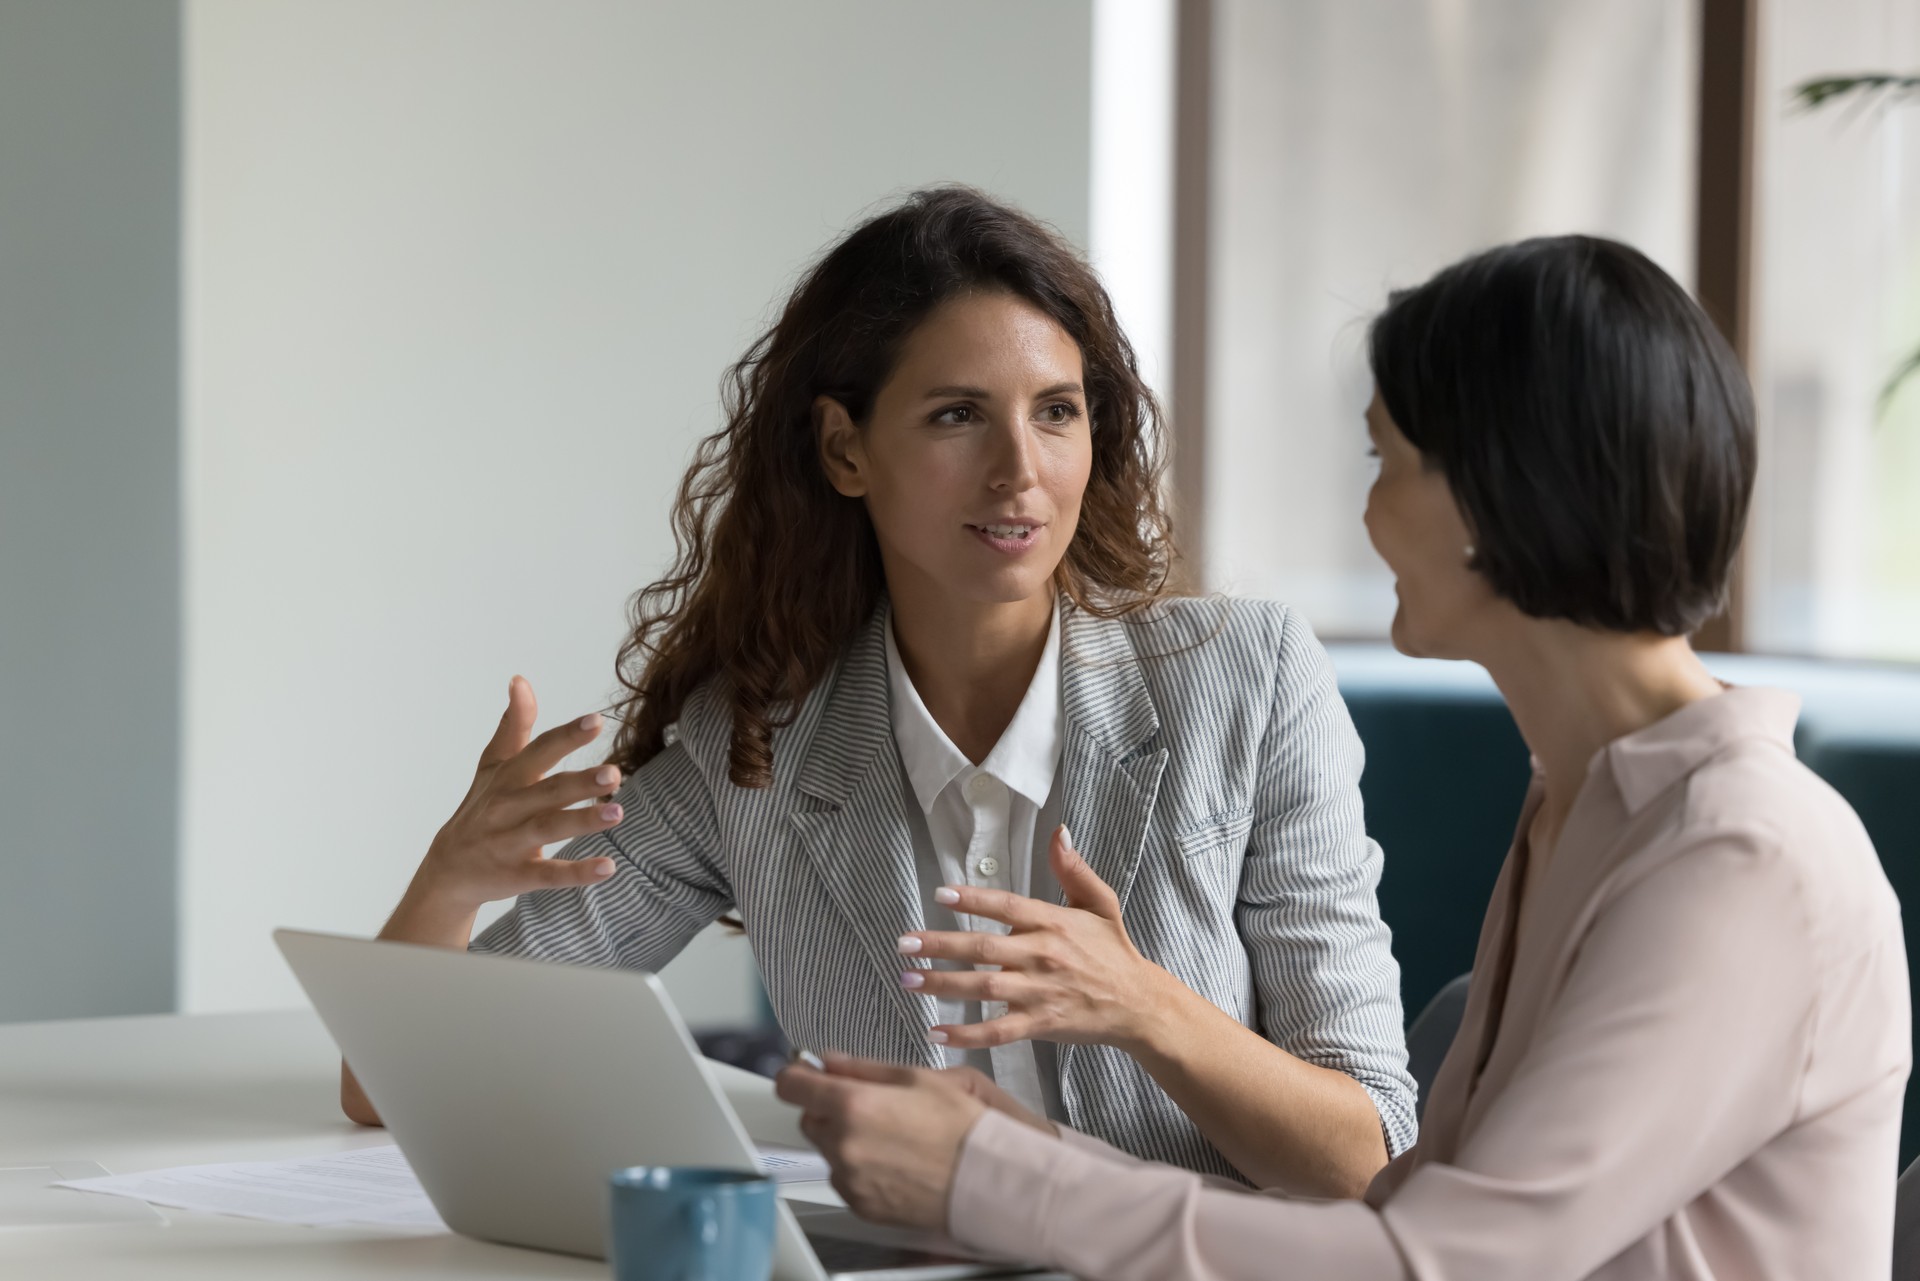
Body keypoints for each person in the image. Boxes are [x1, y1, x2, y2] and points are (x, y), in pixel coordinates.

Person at [776, 234, 1912, 1278]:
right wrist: (1015, 1150)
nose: (1366, 516)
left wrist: (999, 1177)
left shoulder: (1741, 857)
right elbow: (1395, 1220)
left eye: (1386, 460)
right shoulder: (1587, 807)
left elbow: (1439, 1265)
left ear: (1493, 492)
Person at [341, 186, 1418, 1194]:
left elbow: (1372, 1156)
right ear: (844, 449)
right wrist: (450, 880)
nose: (1019, 469)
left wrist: (1149, 1012)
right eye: (957, 416)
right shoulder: (753, 748)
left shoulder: (1247, 679)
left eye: (1056, 412)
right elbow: (391, 1088)